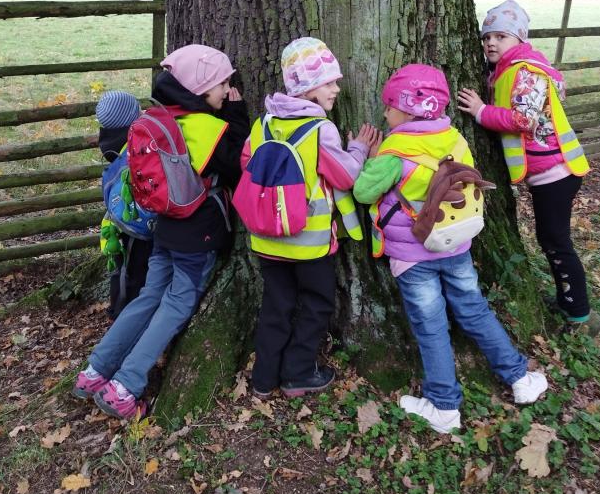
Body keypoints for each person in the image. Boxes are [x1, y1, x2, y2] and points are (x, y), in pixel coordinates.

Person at [353, 64, 547, 434]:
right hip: (456, 247)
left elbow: (364, 193)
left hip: (413, 257)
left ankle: (443, 406)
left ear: (408, 111)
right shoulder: (455, 139)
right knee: (475, 311)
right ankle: (520, 378)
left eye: (390, 107)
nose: (385, 113)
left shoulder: (394, 152)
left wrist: (373, 158)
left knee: (431, 328)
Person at [74, 45, 250, 419]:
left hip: (164, 227)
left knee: (150, 296)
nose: (226, 90)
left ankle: (95, 371)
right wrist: (236, 118)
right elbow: (237, 166)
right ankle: (125, 386)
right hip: (196, 234)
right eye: (222, 83)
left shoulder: (161, 118)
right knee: (176, 304)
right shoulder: (208, 128)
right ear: (201, 86)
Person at [242, 37, 379, 399]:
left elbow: (246, 164)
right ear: (307, 87)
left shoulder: (263, 124)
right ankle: (299, 372)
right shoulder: (320, 130)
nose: (336, 89)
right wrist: (359, 149)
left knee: (276, 306)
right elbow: (345, 176)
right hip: (309, 243)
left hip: (267, 238)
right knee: (317, 304)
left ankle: (264, 378)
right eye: (329, 82)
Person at [457, 0, 591, 324]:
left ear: (519, 38)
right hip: (549, 174)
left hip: (556, 174)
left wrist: (480, 111)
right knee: (551, 239)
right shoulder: (506, 71)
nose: (491, 42)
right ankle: (569, 300)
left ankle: (576, 309)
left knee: (556, 241)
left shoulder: (525, 72)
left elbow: (523, 119)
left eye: (501, 36)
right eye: (487, 37)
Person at [95, 90, 153, 320]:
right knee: (134, 272)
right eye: (138, 110)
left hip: (119, 219)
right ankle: (123, 315)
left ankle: (121, 309)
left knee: (123, 267)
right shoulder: (132, 143)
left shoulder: (112, 140)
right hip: (134, 220)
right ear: (129, 119)